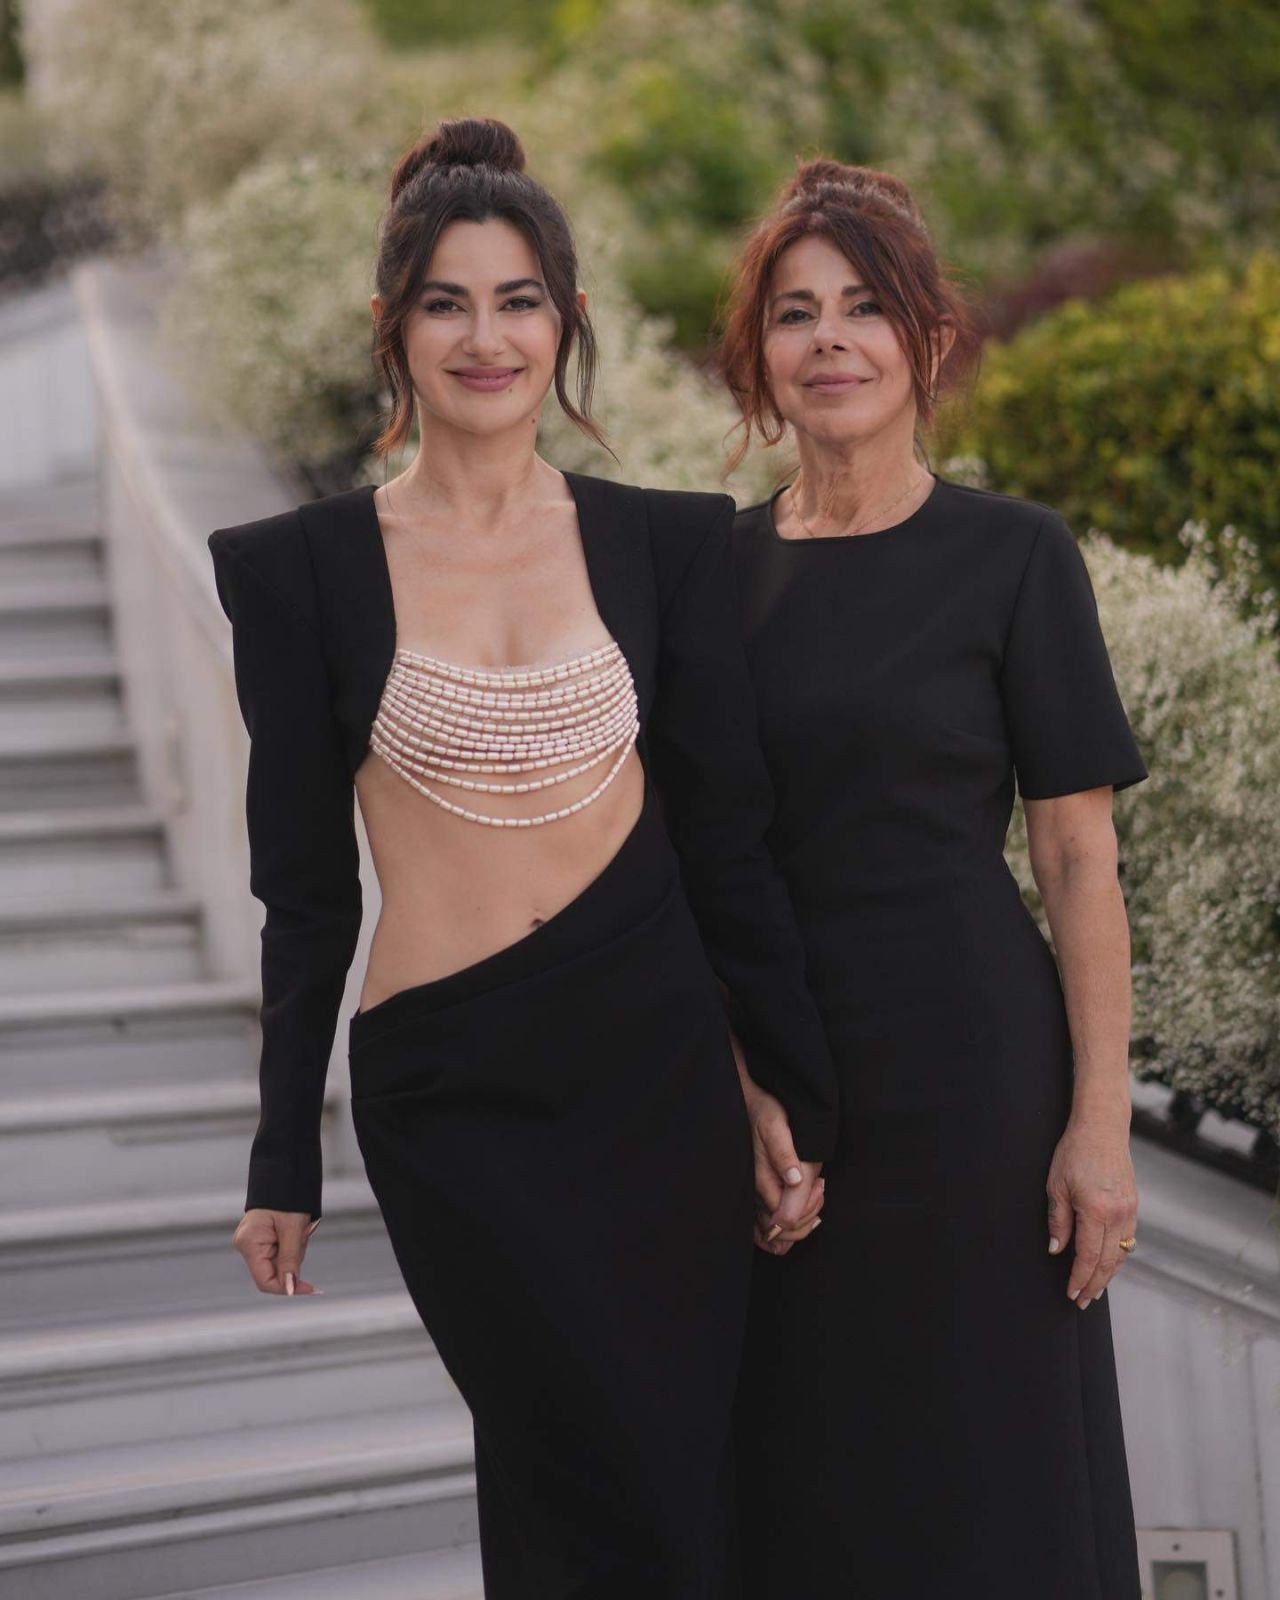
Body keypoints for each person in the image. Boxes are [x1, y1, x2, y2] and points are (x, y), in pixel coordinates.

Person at [205, 117, 836, 1599]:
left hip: (656, 1070)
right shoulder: (297, 574)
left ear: (567, 320)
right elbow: (302, 894)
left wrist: (783, 1084)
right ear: (393, 326)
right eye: (446, 303)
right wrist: (281, 1154)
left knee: (675, 1485)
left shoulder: (668, 545)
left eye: (517, 301)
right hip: (454, 1093)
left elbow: (728, 843)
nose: (485, 339)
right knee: (569, 1458)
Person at [716, 159, 1148, 1598]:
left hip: (981, 1089)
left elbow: (1077, 857)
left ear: (929, 340)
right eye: (795, 313)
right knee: (813, 1486)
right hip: (794, 1102)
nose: (829, 340)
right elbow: (695, 861)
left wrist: (1101, 1125)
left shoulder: (1014, 556)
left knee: (996, 1476)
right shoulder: (711, 576)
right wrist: (744, 1086)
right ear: (759, 354)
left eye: (864, 308)